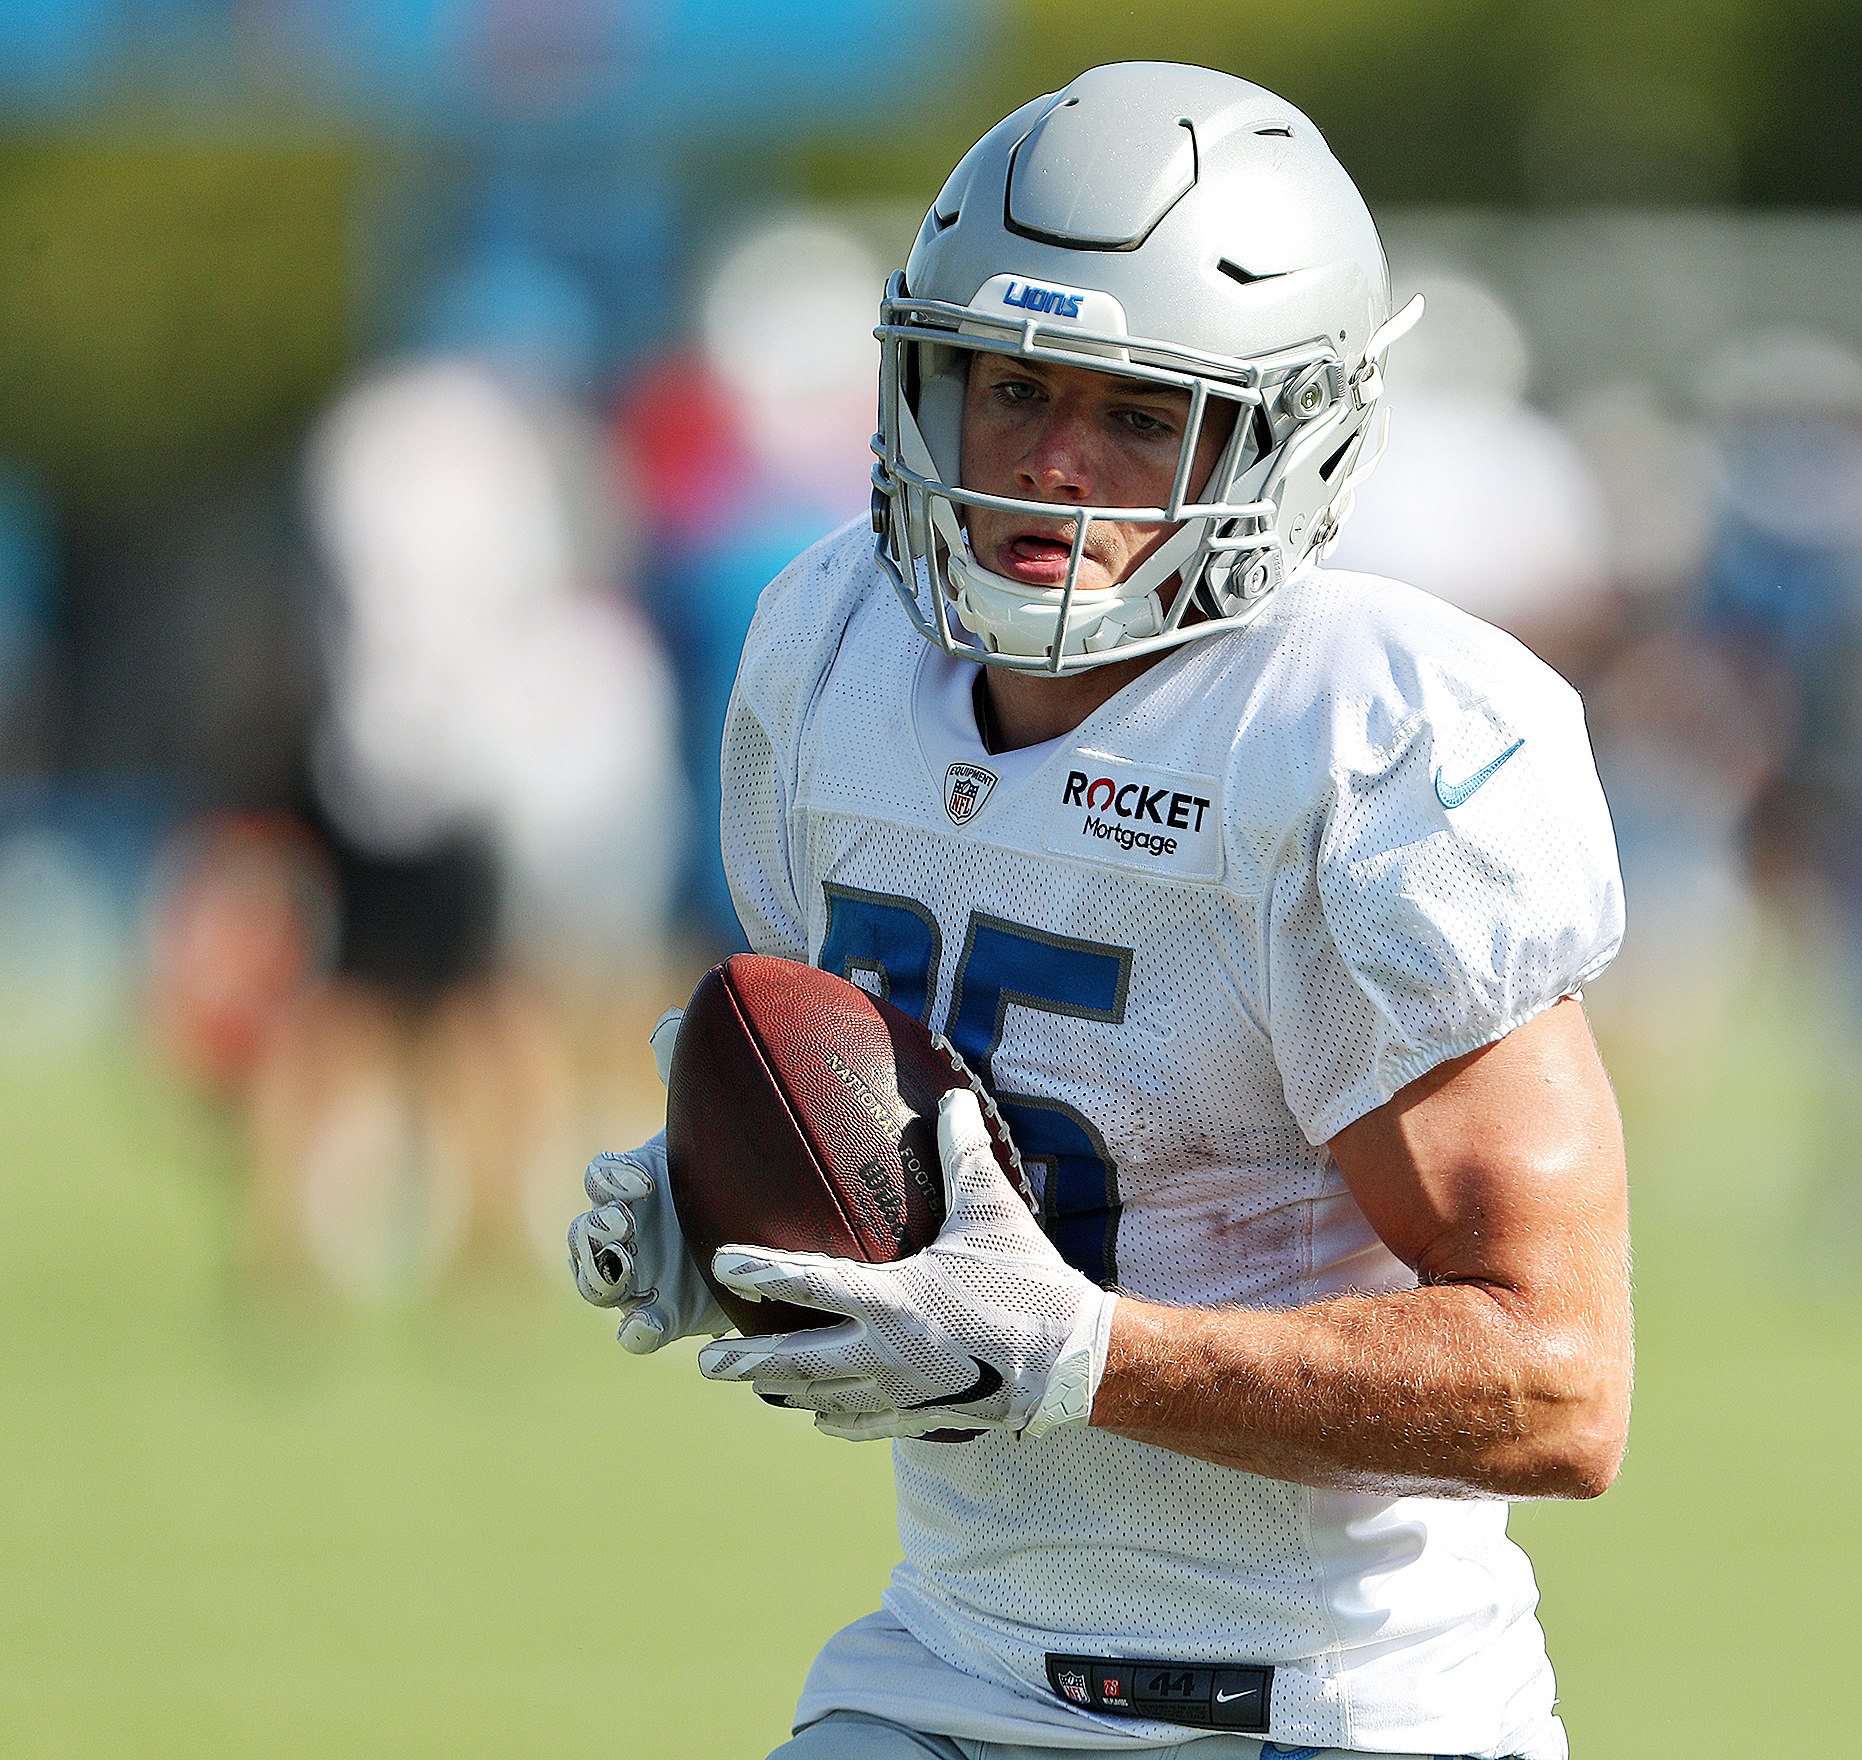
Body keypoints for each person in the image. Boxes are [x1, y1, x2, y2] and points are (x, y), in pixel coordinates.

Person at [567, 62, 1631, 1760]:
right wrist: (731, 1212)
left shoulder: (1368, 742)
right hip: (950, 1667)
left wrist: (1079, 1350)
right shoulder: (830, 651)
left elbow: (1558, 1383)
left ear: (1290, 437)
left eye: (1139, 416)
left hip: (1331, 1710)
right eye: (1009, 389)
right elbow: (878, 1114)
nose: (1056, 466)